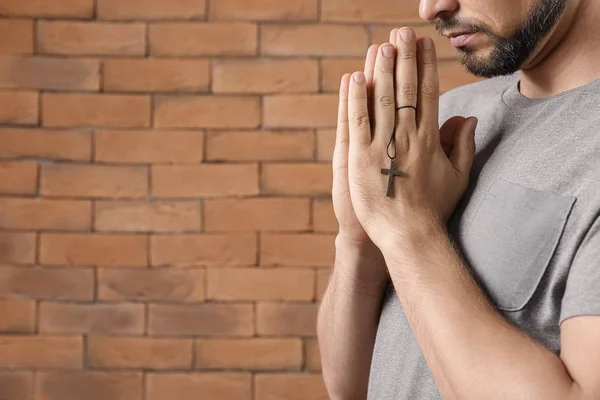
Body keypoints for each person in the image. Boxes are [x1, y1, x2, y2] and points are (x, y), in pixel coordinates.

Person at [317, 0, 600, 398]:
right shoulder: (442, 121)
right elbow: (350, 387)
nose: (431, 8)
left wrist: (411, 233)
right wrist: (358, 238)